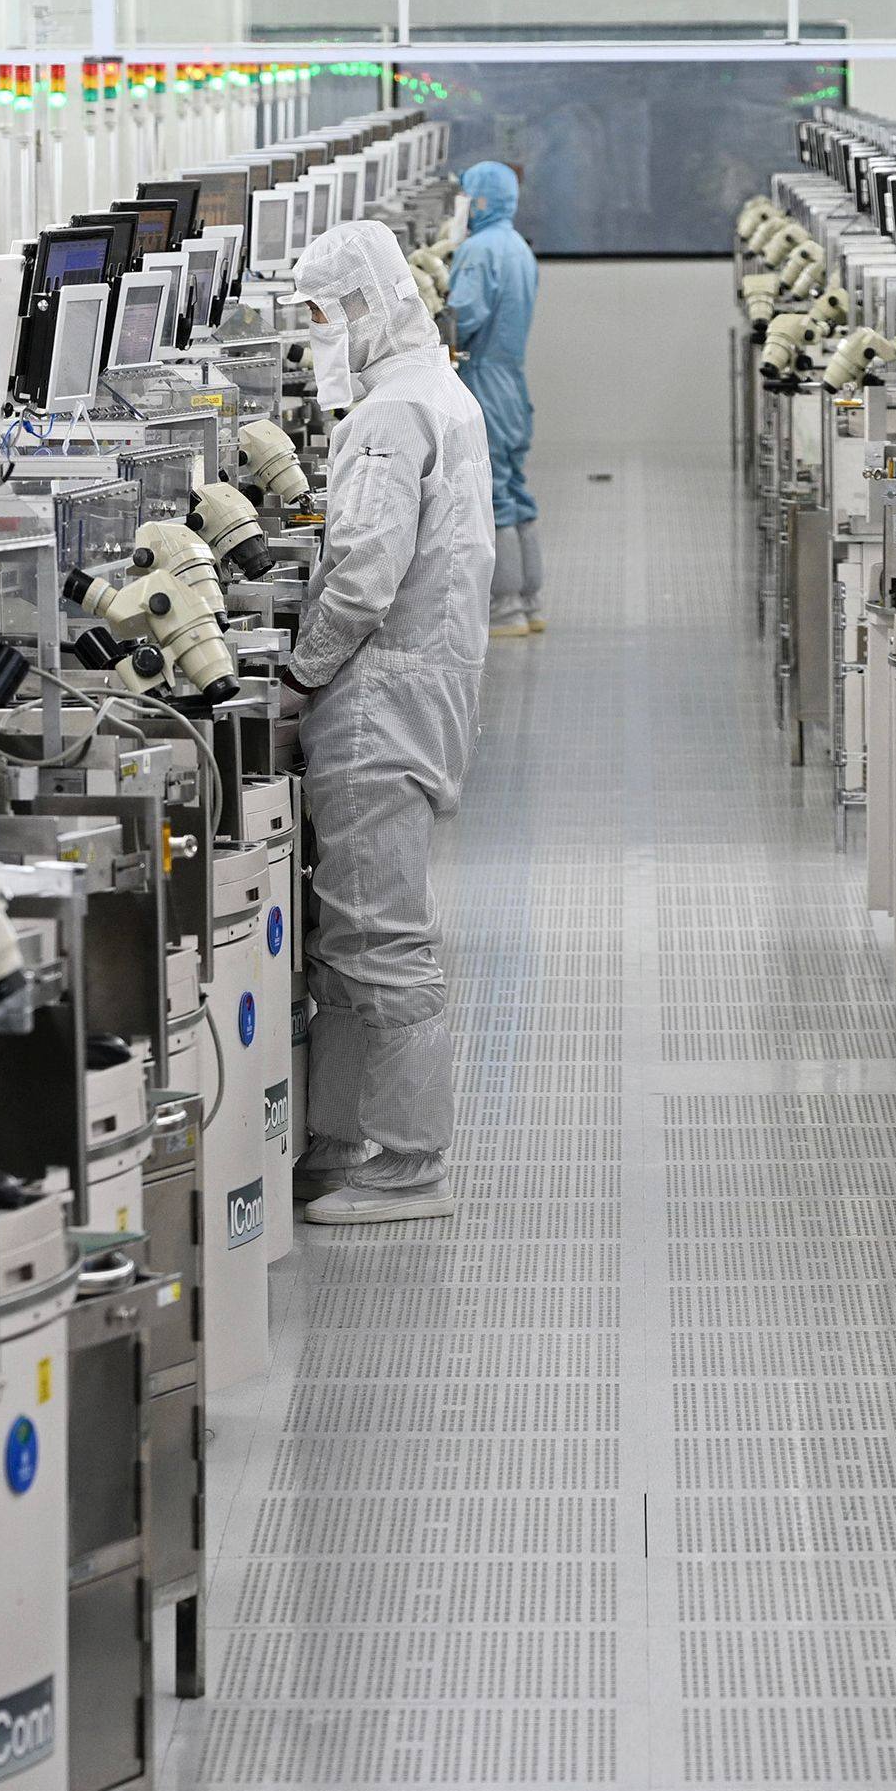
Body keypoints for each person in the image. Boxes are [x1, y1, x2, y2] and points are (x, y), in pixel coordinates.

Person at [280, 217, 495, 1226]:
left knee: (377, 938)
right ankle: (331, 1139)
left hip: (374, 706)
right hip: (421, 694)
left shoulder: (386, 417)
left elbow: (362, 576)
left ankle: (410, 1162)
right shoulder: (436, 391)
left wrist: (294, 672)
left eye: (318, 314)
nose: (313, 334)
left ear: (360, 305)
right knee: (350, 936)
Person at [447, 160, 542, 637]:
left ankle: (505, 609)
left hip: (483, 382)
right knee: (517, 492)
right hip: (511, 385)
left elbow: (460, 318)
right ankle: (531, 600)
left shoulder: (479, 251)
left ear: (479, 200)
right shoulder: (517, 247)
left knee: (495, 497)